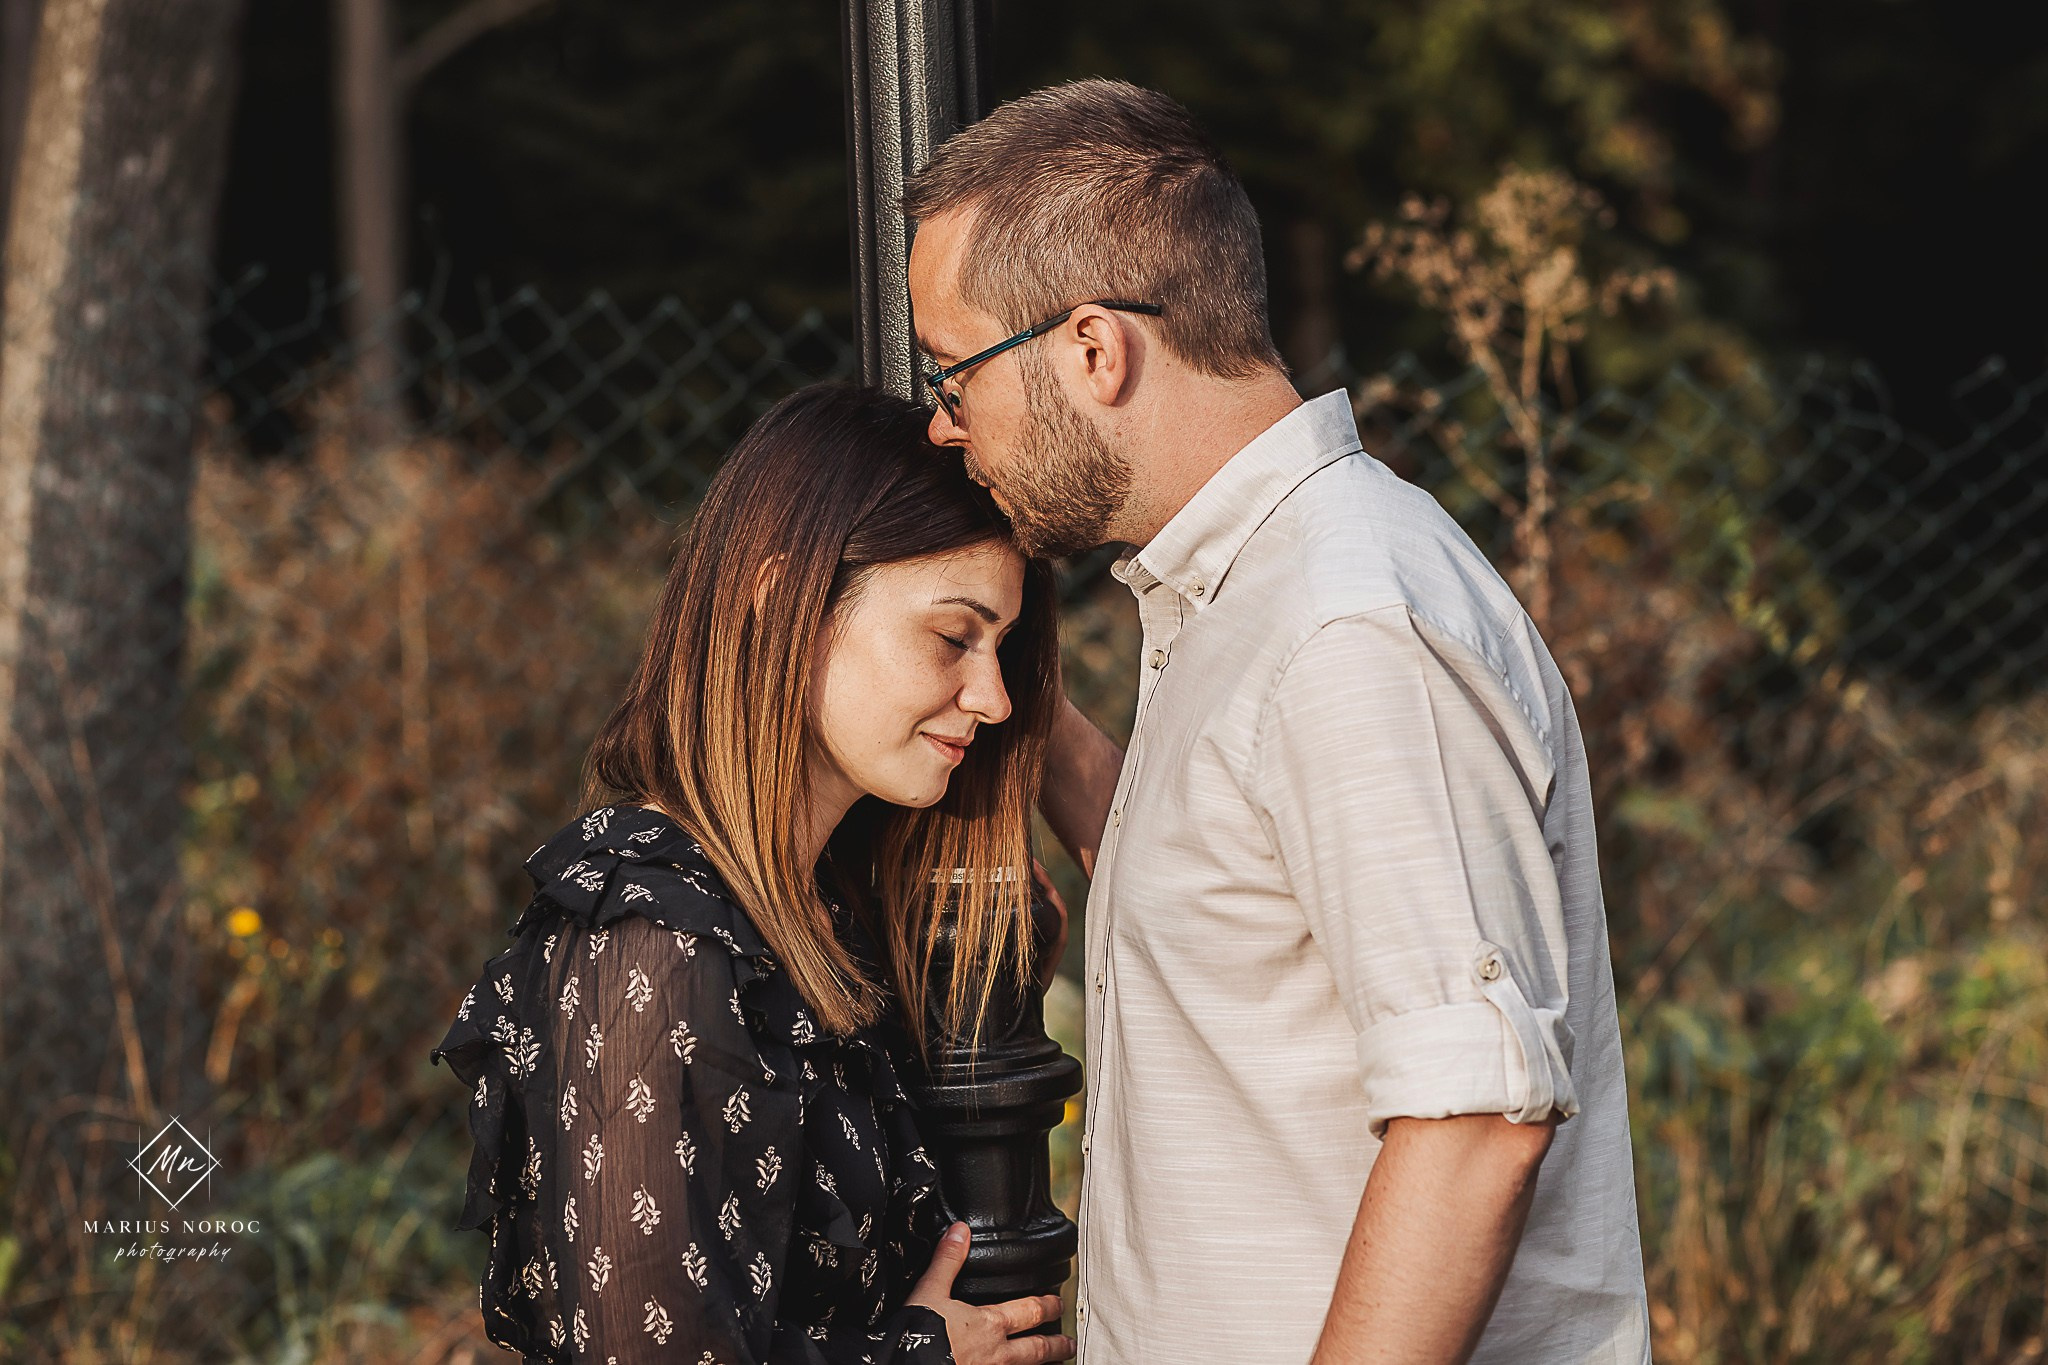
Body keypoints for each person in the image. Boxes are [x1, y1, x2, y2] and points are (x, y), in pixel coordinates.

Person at [903, 80, 1651, 1364]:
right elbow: (1234, 891)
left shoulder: (1343, 626)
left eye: (956, 373)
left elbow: (1475, 1124)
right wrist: (1016, 707)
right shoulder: (1247, 589)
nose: (940, 422)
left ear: (1093, 350)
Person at [430, 384, 1078, 1365]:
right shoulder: (650, 944)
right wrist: (917, 1357)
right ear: (781, 598)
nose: (992, 697)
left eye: (1004, 649)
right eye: (953, 636)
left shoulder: (812, 908)